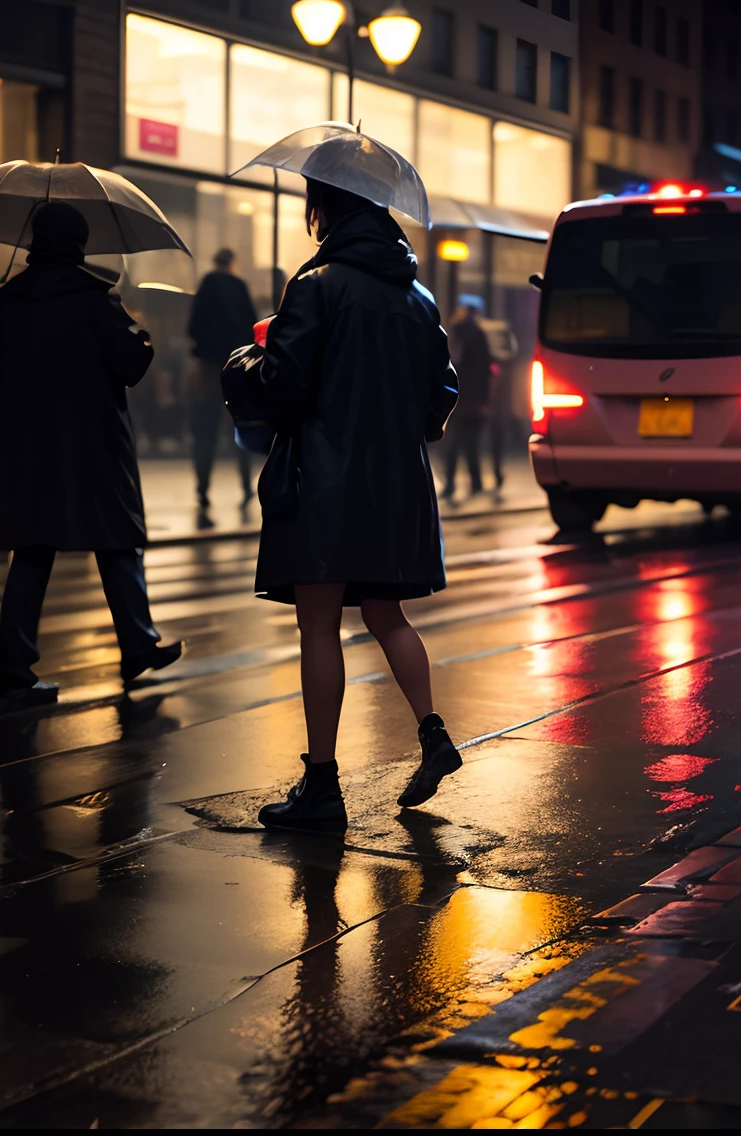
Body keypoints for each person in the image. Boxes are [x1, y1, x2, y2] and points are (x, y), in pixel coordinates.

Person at [222, 175, 461, 836]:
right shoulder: (416, 296)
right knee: (388, 613)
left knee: (319, 623)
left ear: (323, 208)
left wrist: (245, 361)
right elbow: (442, 391)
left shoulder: (316, 284)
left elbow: (284, 381)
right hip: (397, 486)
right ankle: (431, 731)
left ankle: (322, 786)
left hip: (326, 482)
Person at [0, 201, 183, 710]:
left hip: (26, 447)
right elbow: (132, 363)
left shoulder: (6, 301)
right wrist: (142, 333)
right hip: (93, 443)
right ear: (79, 244)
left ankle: (15, 668)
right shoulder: (95, 299)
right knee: (116, 542)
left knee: (31, 549)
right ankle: (136, 644)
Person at [186, 248, 259, 507]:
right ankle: (246, 486)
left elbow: (192, 325)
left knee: (205, 431)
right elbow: (252, 327)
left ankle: (203, 489)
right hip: (236, 371)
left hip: (208, 369)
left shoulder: (206, 285)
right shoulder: (239, 286)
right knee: (239, 427)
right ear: (232, 263)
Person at [441, 297, 494, 500]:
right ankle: (476, 484)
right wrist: (484, 400)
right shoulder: (479, 335)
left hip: (455, 399)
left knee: (453, 445)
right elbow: (484, 370)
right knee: (472, 445)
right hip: (474, 400)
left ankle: (450, 485)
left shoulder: (453, 333)